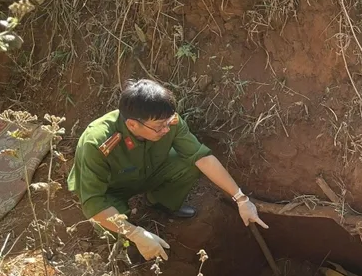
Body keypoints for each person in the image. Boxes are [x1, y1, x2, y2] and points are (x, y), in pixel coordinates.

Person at [67, 79, 267, 261]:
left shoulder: (168, 121)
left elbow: (201, 157)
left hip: (148, 172)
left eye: (167, 123)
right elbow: (93, 203)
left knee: (189, 162)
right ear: (132, 125)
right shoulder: (97, 142)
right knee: (118, 232)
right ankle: (132, 239)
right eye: (159, 127)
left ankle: (160, 202)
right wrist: (136, 234)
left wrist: (241, 199)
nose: (166, 130)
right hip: (111, 191)